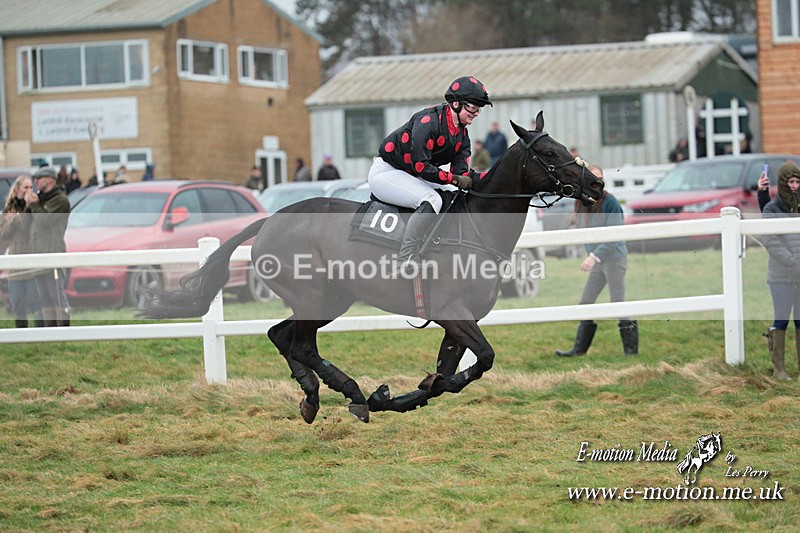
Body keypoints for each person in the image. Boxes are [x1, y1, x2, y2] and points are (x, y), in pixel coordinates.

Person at [368, 75, 492, 272]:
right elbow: (422, 167)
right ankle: (405, 258)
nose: (476, 113)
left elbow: (461, 175)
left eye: (479, 109)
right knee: (431, 199)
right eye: (473, 107)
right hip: (387, 173)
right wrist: (454, 179)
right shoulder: (428, 122)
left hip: (412, 176)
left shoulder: (462, 136)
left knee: (455, 193)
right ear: (456, 103)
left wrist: (494, 178)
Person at [555, 165, 638, 357]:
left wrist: (593, 256)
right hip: (599, 260)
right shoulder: (583, 203)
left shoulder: (610, 202)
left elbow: (615, 234)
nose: (595, 183)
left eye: (599, 179)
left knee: (618, 303)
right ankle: (579, 350)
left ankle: (631, 352)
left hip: (614, 259)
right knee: (586, 302)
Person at [759, 161, 800, 380]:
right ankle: (779, 369)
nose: (794, 186)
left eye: (797, 181)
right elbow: (771, 241)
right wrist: (793, 261)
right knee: (781, 319)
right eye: (790, 182)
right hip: (781, 276)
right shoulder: (772, 209)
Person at [25, 166, 71, 327]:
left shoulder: (60, 200)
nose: (36, 181)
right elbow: (26, 226)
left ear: (50, 179)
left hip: (52, 253)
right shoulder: (40, 199)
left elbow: (45, 221)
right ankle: (47, 331)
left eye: (40, 178)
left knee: (56, 296)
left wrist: (35, 205)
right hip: (38, 254)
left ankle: (63, 331)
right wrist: (28, 205)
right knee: (43, 298)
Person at [0, 175, 41, 327]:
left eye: (31, 187)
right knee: (17, 302)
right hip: (15, 259)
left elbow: (25, 227)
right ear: (17, 189)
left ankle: (39, 333)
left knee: (34, 301)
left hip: (31, 256)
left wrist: (17, 217)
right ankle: (21, 332)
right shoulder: (8, 208)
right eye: (26, 187)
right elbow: (3, 233)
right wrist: (12, 220)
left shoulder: (35, 206)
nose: (29, 190)